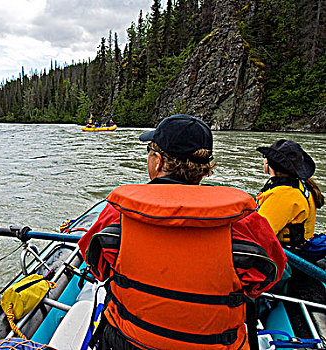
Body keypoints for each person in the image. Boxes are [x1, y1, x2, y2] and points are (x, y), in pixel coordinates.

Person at [78, 114, 287, 350]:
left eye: (149, 151)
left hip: (129, 342)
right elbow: (269, 276)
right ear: (204, 169)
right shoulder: (245, 221)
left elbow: (96, 264)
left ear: (157, 161)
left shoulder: (119, 213)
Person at [256, 139, 324, 248]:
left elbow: (256, 233)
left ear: (270, 164)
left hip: (288, 252)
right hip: (302, 244)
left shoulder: (284, 195)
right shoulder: (301, 184)